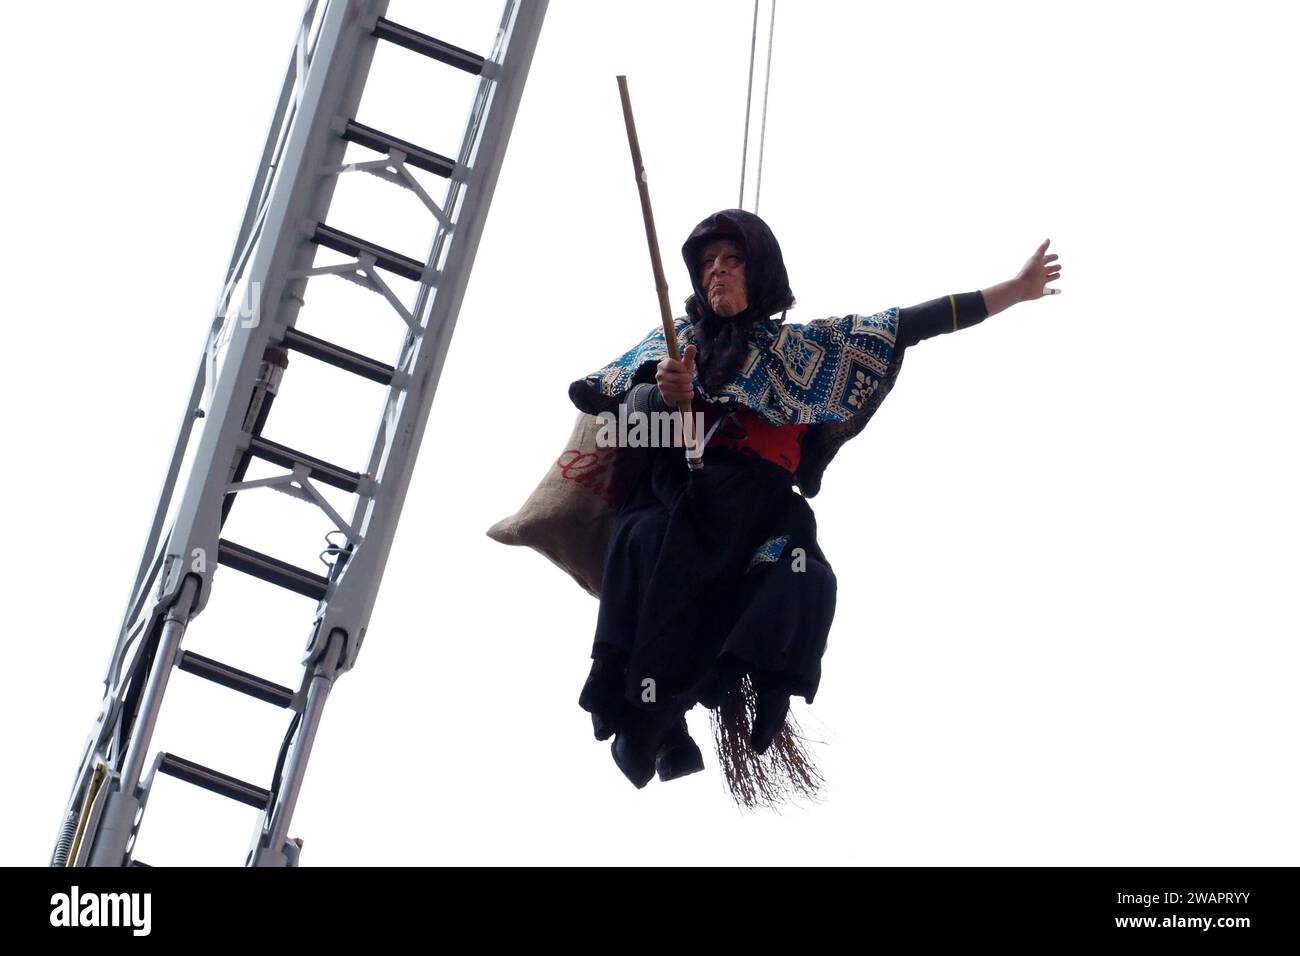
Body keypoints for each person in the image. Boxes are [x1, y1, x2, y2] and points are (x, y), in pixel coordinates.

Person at [568, 209, 1062, 806]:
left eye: (731, 261)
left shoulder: (814, 348)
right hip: (688, 492)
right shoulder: (676, 342)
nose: (717, 273)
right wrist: (667, 390)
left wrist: (1016, 290)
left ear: (761, 272)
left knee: (798, 567)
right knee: (644, 540)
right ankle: (650, 722)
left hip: (762, 501)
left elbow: (909, 324)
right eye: (707, 265)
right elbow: (613, 398)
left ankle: (760, 684)